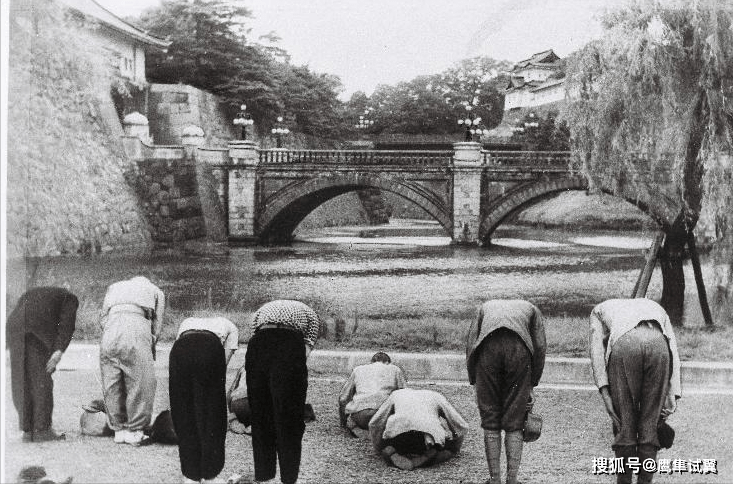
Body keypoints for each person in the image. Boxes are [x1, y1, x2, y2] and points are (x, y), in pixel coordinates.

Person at [589, 298, 681, 484]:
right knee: (649, 429)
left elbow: (597, 352)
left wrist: (605, 394)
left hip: (625, 345)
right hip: (658, 343)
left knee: (624, 425)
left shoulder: (598, 311)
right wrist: (671, 400)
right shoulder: (656, 307)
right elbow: (673, 350)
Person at [465, 299, 546, 484]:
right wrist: (532, 384)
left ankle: (494, 480)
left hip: (487, 349)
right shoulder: (531, 308)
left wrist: (474, 380)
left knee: (490, 420)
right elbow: (540, 347)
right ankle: (512, 480)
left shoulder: (484, 307)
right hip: (519, 350)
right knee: (515, 420)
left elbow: (471, 344)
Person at [245, 300, 321, 484]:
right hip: (289, 343)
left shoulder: (263, 308)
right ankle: (289, 477)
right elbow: (307, 347)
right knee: (290, 415)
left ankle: (264, 475)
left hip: (260, 342)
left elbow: (254, 332)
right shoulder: (309, 313)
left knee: (260, 412)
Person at [169, 316, 239, 484]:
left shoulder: (186, 321)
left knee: (183, 410)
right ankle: (210, 476)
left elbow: (179, 344)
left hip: (181, 348)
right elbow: (224, 360)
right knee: (212, 413)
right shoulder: (231, 327)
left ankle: (190, 475)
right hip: (210, 348)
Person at [99, 276, 165, 446]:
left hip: (110, 330)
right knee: (141, 381)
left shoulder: (114, 286)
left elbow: (102, 318)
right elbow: (157, 325)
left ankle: (118, 430)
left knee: (111, 382)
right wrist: (150, 343)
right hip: (136, 328)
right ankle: (135, 430)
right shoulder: (156, 291)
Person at [7, 287, 78, 442]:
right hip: (36, 333)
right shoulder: (70, 298)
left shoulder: (31, 293)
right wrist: (59, 351)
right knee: (41, 381)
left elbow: (16, 313)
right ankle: (42, 430)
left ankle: (28, 430)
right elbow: (67, 325)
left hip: (14, 329)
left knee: (21, 381)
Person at [368, 388, 469, 471]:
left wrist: (379, 446)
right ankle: (427, 457)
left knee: (394, 437)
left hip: (399, 439)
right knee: (447, 450)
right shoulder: (436, 396)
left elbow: (375, 422)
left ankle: (392, 451)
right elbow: (458, 422)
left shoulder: (397, 394)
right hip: (425, 441)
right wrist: (455, 446)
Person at [338, 351, 406, 436]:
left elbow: (343, 398)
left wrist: (343, 422)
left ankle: (358, 429)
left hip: (361, 415)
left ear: (371, 362)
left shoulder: (358, 369)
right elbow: (404, 396)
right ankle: (380, 433)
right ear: (388, 362)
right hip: (383, 415)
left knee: (353, 420)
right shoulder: (395, 369)